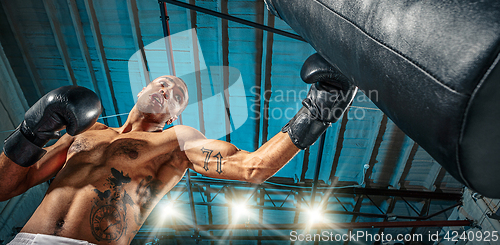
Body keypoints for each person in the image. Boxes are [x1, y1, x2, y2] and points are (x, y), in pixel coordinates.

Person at [0, 53, 357, 245]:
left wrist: (319, 110)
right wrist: (31, 131)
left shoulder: (175, 140)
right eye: (163, 83)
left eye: (177, 96)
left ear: (173, 116)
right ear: (143, 89)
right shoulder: (86, 130)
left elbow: (253, 168)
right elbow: (7, 187)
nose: (168, 89)